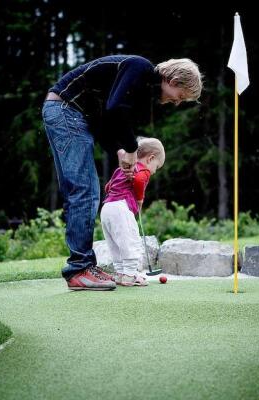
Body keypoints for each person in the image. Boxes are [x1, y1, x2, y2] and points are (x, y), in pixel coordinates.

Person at [42, 55, 202, 291]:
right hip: (66, 110)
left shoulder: (141, 86)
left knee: (82, 189)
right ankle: (79, 269)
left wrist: (119, 150)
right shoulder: (140, 68)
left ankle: (82, 266)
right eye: (180, 97)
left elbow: (105, 119)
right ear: (173, 80)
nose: (175, 103)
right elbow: (115, 108)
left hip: (70, 113)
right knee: (84, 190)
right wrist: (130, 148)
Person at [101, 137, 164, 286]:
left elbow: (107, 187)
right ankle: (130, 275)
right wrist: (140, 200)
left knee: (116, 244)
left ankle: (120, 273)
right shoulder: (142, 169)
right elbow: (140, 180)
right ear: (150, 158)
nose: (154, 171)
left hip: (107, 208)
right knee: (131, 242)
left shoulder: (121, 168)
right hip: (121, 208)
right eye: (156, 167)